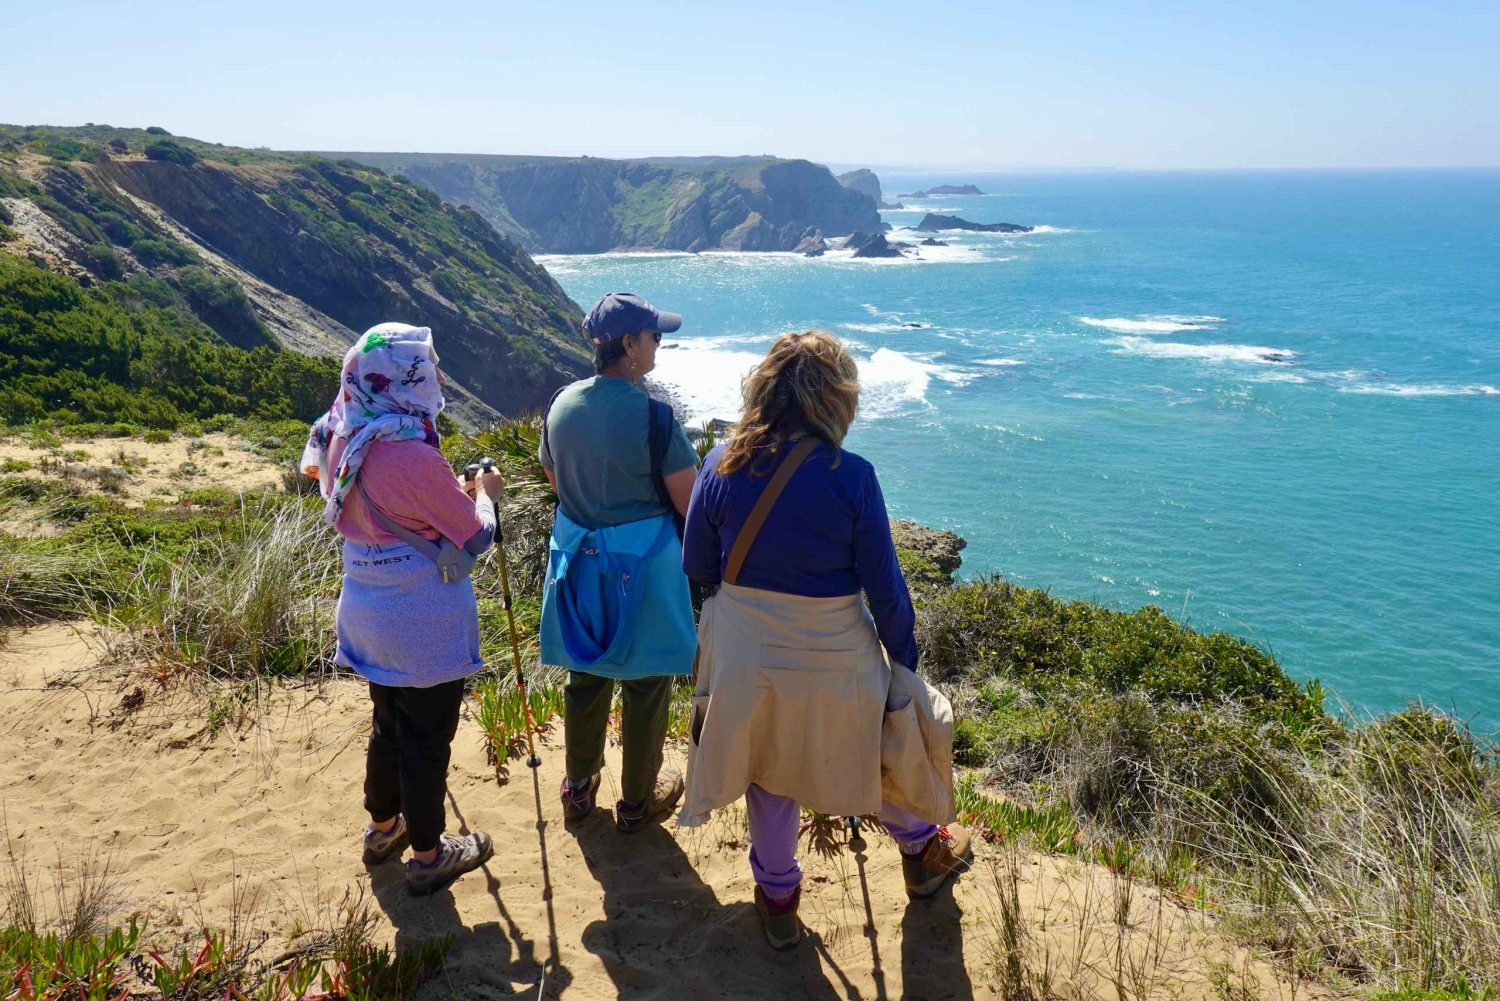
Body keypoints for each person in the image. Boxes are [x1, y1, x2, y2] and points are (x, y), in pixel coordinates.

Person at [678, 330, 970, 950]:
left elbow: (698, 566)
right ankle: (922, 852)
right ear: (835, 400)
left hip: (743, 645)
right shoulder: (852, 475)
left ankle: (778, 899)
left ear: (763, 390)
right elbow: (885, 589)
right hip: (835, 647)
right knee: (866, 751)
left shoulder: (719, 463)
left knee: (765, 766)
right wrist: (904, 664)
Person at [301, 322, 499, 897]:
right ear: (400, 379)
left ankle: (382, 828)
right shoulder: (408, 455)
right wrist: (484, 493)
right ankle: (430, 855)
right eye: (426, 367)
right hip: (421, 622)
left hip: (367, 607)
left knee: (387, 725)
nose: (437, 375)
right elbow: (474, 537)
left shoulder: (342, 432)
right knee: (427, 739)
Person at [538, 292, 700, 833]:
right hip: (644, 570)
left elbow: (557, 480)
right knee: (647, 682)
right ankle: (636, 800)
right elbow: (690, 504)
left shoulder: (561, 403)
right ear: (629, 344)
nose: (658, 346)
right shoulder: (655, 418)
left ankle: (578, 786)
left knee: (585, 674)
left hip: (579, 566)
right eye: (654, 337)